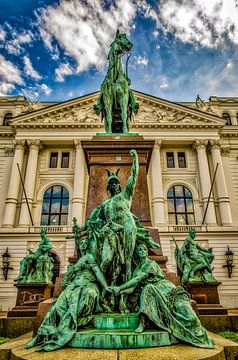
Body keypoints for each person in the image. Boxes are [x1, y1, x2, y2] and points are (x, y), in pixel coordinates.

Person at [109, 243, 214, 349]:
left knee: (187, 313)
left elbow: (138, 279)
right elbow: (132, 288)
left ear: (146, 252)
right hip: (153, 291)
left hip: (166, 289)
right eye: (139, 250)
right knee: (148, 288)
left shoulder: (151, 264)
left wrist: (120, 288)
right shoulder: (137, 270)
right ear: (136, 253)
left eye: (144, 249)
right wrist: (118, 291)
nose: (141, 251)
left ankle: (198, 334)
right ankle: (143, 322)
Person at [26, 236, 109, 352]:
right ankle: (40, 335)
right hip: (73, 286)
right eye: (82, 243)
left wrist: (106, 287)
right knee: (56, 307)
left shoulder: (90, 257)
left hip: (88, 285)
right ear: (79, 246)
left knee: (86, 297)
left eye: (86, 243)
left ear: (89, 245)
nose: (83, 245)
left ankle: (65, 328)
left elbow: (97, 272)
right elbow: (67, 279)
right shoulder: (79, 260)